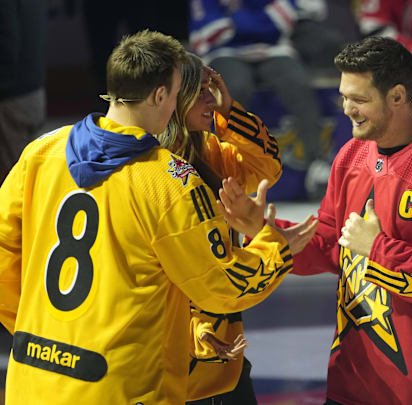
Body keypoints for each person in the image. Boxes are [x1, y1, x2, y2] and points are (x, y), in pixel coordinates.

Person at [0, 30, 316, 404]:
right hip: (127, 381)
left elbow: (7, 261)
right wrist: (272, 245)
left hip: (37, 378)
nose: (207, 98)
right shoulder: (168, 179)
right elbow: (219, 283)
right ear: (164, 96)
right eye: (193, 88)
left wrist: (46, 334)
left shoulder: (40, 151)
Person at [224, 35, 412, 404]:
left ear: (398, 97)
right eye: (344, 96)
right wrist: (265, 231)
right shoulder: (351, 155)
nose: (346, 109)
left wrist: (377, 248)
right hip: (351, 384)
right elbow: (329, 244)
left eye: (359, 99)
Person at [154, 52, 283, 404]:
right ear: (172, 99)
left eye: (212, 88)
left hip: (224, 339)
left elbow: (269, 168)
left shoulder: (212, 149)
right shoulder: (147, 168)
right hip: (172, 349)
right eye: (200, 92)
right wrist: (197, 329)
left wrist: (229, 114)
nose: (210, 99)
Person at [188, 0, 335, 199]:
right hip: (224, 53)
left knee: (298, 84)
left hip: (274, 50)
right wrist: (261, 19)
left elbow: (284, 18)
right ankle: (222, 168)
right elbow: (210, 32)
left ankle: (317, 164)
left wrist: (236, 19)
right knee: (232, 89)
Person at [0, 0, 47, 182]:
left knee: (14, 185)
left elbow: (7, 44)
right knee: (31, 183)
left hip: (10, 100)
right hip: (33, 93)